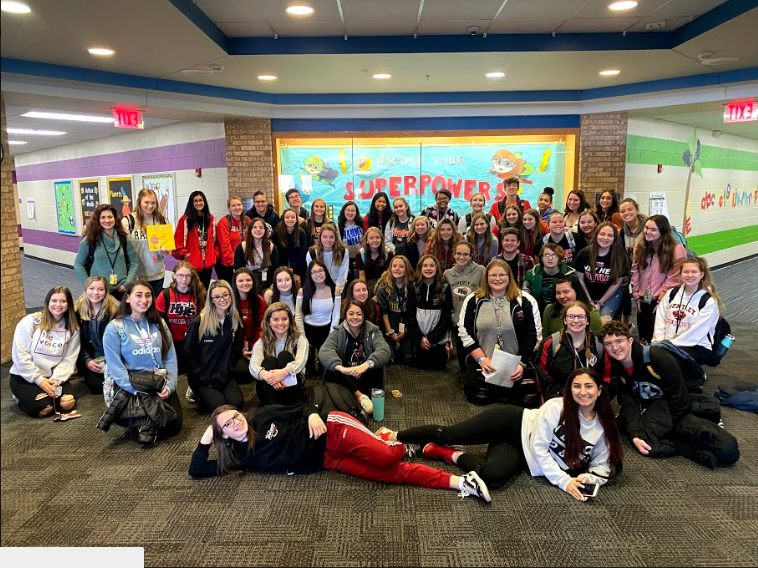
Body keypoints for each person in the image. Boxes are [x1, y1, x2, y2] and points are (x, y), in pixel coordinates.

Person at [388, 369, 622, 500]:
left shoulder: (603, 427)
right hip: (513, 423)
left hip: (525, 453)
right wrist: (564, 481)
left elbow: (602, 467)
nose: (583, 392)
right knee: (449, 434)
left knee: (491, 476)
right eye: (577, 386)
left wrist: (587, 479)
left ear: (599, 390)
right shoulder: (556, 407)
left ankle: (448, 455)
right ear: (569, 390)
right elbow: (540, 448)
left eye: (589, 386)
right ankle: (395, 435)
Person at [188, 405, 491, 503]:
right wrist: (206, 437)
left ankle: (396, 439)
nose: (235, 422)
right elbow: (197, 470)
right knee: (391, 474)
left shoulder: (263, 417)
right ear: (222, 434)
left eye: (235, 415)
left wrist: (311, 415)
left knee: (387, 456)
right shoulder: (239, 459)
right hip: (328, 461)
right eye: (227, 424)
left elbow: (302, 406)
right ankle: (461, 482)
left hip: (332, 429)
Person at [100, 280, 182, 445]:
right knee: (142, 417)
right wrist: (136, 390)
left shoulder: (159, 323)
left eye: (148, 295)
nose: (144, 300)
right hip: (131, 385)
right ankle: (144, 421)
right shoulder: (115, 328)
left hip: (157, 381)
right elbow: (115, 367)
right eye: (138, 295)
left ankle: (145, 421)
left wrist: (169, 386)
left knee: (173, 425)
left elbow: (170, 358)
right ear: (128, 298)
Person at [599, 321, 690, 455]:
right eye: (608, 344)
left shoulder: (658, 357)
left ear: (630, 341)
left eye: (619, 341)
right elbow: (628, 400)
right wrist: (635, 433)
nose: (615, 347)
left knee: (647, 438)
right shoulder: (616, 367)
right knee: (623, 425)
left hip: (673, 401)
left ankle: (686, 447)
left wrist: (669, 426)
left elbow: (680, 400)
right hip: (648, 403)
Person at [458, 261, 537, 405]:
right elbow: (464, 331)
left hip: (516, 362)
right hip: (483, 361)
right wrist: (481, 360)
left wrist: (521, 363)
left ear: (509, 277)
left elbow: (533, 335)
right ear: (486, 277)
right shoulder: (473, 299)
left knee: (527, 399)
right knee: (478, 397)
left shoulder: (525, 300)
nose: (497, 279)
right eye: (493, 275)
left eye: (502, 275)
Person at [10, 286, 80, 418]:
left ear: (69, 304)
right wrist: (39, 380)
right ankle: (22, 399)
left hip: (53, 378)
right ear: (47, 302)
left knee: (67, 403)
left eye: (63, 301)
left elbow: (68, 360)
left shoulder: (72, 328)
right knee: (44, 408)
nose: (58, 305)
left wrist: (55, 380)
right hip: (25, 377)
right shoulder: (30, 322)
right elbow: (20, 356)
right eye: (54, 301)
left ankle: (44, 398)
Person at [320, 300, 391, 413]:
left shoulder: (373, 331)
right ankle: (359, 397)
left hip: (364, 375)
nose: (355, 317)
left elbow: (384, 351)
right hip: (346, 378)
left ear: (364, 316)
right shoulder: (338, 332)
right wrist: (343, 369)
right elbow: (325, 351)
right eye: (351, 313)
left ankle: (355, 399)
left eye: (359, 314)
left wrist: (366, 365)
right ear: (345, 315)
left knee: (376, 365)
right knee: (332, 368)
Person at [184, 280, 245, 412]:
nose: (222, 299)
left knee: (237, 403)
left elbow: (236, 350)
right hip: (202, 378)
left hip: (224, 376)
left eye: (225, 295)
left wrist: (229, 370)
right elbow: (187, 353)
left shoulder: (235, 320)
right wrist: (198, 374)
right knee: (220, 407)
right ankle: (197, 393)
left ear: (231, 295)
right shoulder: (200, 322)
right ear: (211, 300)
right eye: (217, 297)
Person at [652, 257, 723, 365]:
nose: (689, 275)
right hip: (667, 344)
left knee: (668, 360)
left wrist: (670, 345)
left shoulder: (708, 300)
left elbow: (697, 332)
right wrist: (658, 342)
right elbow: (660, 320)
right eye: (686, 272)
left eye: (694, 272)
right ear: (680, 274)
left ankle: (697, 374)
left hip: (696, 345)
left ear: (702, 274)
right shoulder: (672, 294)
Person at [535, 301, 610, 400]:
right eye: (570, 316)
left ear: (587, 320)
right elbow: (542, 377)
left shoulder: (598, 345)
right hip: (559, 399)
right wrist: (563, 394)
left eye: (581, 316)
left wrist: (596, 397)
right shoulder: (550, 344)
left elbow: (607, 377)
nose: (576, 320)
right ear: (564, 320)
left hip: (591, 400)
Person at [631, 215, 687, 342]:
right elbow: (635, 271)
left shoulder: (676, 250)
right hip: (644, 297)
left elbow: (673, 278)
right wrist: (636, 296)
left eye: (653, 229)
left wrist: (661, 301)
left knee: (658, 336)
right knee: (644, 335)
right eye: (646, 228)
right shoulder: (640, 247)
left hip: (663, 299)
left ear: (663, 232)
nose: (648, 232)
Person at [73, 203, 137, 301]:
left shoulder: (124, 239)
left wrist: (127, 282)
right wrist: (89, 286)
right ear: (97, 220)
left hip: (121, 290)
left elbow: (134, 262)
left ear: (115, 219)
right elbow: (78, 265)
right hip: (98, 292)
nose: (107, 220)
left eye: (110, 217)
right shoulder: (90, 240)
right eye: (103, 217)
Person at [155, 261, 206, 378]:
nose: (184, 279)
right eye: (180, 275)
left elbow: (203, 318)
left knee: (192, 370)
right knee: (176, 370)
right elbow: (159, 320)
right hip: (172, 339)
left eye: (187, 276)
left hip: (192, 339)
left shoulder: (199, 293)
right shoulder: (165, 294)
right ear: (174, 276)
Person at [250, 303, 308, 405]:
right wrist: (269, 376)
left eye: (284, 319)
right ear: (269, 322)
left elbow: (301, 362)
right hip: (268, 389)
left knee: (284, 356)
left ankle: (283, 406)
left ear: (290, 321)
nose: (280, 323)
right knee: (269, 361)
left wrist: (283, 373)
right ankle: (275, 406)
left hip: (292, 389)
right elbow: (253, 366)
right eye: (276, 319)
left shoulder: (300, 339)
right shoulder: (262, 341)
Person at [572, 222, 629, 324]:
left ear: (615, 238)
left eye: (610, 235)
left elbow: (616, 284)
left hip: (610, 295)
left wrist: (600, 303)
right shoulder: (584, 253)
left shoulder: (620, 256)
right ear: (596, 235)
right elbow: (579, 279)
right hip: (586, 293)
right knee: (585, 321)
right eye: (602, 234)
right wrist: (590, 301)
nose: (605, 238)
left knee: (603, 322)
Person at [407, 255, 454, 371]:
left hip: (437, 338)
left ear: (437, 268)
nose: (428, 268)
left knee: (438, 367)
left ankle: (445, 350)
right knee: (421, 367)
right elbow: (410, 315)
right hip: (420, 339)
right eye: (425, 266)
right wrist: (420, 338)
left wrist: (432, 338)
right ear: (420, 268)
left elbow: (445, 317)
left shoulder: (444, 287)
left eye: (432, 265)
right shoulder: (414, 287)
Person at [444, 241, 485, 372]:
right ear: (454, 254)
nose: (462, 257)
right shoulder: (447, 274)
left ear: (471, 256)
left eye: (466, 254)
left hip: (475, 322)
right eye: (459, 254)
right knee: (463, 364)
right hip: (458, 323)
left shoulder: (480, 271)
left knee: (477, 359)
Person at [74, 276, 120, 393]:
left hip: (113, 356)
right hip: (91, 356)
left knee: (118, 382)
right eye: (92, 288)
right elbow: (75, 342)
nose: (96, 293)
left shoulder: (116, 309)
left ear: (106, 291)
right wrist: (87, 360)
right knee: (96, 386)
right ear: (85, 289)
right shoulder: (76, 310)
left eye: (100, 289)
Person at [296, 260, 342, 374]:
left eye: (320, 270)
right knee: (309, 369)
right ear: (310, 275)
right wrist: (303, 337)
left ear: (325, 272)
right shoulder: (303, 291)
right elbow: (298, 316)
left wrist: (331, 336)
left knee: (325, 368)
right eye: (314, 272)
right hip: (308, 329)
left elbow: (336, 315)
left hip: (327, 328)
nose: (318, 274)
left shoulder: (335, 290)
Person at [122, 188, 170, 297]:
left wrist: (166, 251)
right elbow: (124, 249)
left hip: (157, 274)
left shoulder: (161, 220)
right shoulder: (129, 221)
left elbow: (167, 251)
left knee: (155, 305)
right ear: (139, 202)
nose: (150, 206)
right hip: (136, 275)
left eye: (153, 203)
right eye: (146, 202)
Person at [172, 191, 217, 290]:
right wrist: (185, 254)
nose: (198, 203)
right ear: (191, 203)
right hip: (192, 263)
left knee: (204, 290)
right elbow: (177, 241)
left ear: (204, 202)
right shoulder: (185, 220)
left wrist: (213, 255)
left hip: (207, 263)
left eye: (200, 200)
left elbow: (215, 241)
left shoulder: (210, 219)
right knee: (192, 291)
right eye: (195, 201)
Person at [376, 255, 415, 365]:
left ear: (406, 269)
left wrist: (405, 330)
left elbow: (413, 314)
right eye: (394, 266)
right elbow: (384, 314)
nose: (397, 269)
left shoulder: (412, 287)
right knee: (389, 358)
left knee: (407, 359)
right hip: (389, 329)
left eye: (401, 266)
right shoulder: (383, 288)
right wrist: (390, 332)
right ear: (390, 268)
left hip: (406, 329)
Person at [231, 267, 266, 382]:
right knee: (240, 372)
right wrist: (240, 350)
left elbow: (261, 328)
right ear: (235, 283)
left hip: (254, 345)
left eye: (248, 280)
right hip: (235, 347)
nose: (245, 283)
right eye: (240, 281)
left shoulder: (259, 300)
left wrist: (254, 348)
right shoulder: (229, 301)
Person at [618, 197, 647, 327]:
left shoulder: (647, 228)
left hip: (647, 271)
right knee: (624, 290)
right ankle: (626, 322)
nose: (626, 213)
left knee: (645, 301)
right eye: (623, 211)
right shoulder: (623, 232)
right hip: (632, 269)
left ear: (637, 210)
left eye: (630, 209)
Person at [523, 244, 576, 314]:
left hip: (564, 313)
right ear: (541, 258)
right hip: (536, 312)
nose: (550, 258)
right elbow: (525, 297)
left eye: (554, 255)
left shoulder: (570, 275)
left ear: (560, 258)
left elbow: (578, 299)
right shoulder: (531, 275)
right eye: (546, 255)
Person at [234, 217, 279, 290]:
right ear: (250, 230)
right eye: (255, 227)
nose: (258, 230)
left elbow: (274, 271)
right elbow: (238, 271)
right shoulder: (242, 247)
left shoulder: (271, 247)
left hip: (266, 282)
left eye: (261, 227)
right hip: (247, 283)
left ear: (265, 230)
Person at [216, 195, 250, 285]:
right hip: (229, 265)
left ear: (242, 206)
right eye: (233, 206)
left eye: (239, 205)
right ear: (229, 208)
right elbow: (225, 247)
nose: (237, 208)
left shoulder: (247, 220)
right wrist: (235, 264)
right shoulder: (224, 222)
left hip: (245, 263)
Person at [305, 223, 349, 291]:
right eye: (325, 237)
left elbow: (342, 275)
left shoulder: (343, 252)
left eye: (331, 237)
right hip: (318, 288)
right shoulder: (312, 254)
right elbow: (312, 275)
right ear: (320, 237)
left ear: (335, 238)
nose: (328, 240)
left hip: (337, 288)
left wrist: (337, 291)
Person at [274, 208, 308, 285]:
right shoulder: (277, 232)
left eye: (293, 217)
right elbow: (277, 255)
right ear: (283, 219)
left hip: (298, 269)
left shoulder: (301, 233)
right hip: (281, 268)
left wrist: (297, 273)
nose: (290, 219)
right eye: (287, 217)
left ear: (296, 219)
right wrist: (282, 271)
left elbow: (302, 256)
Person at [355, 226, 393, 294]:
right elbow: (362, 275)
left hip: (382, 283)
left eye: (377, 237)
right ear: (367, 240)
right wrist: (364, 291)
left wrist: (378, 292)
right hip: (367, 282)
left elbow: (386, 275)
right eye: (371, 238)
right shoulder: (360, 254)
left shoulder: (388, 253)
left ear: (381, 239)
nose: (375, 240)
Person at [338, 201, 364, 282]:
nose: (350, 213)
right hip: (347, 259)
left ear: (356, 212)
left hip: (361, 257)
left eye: (353, 210)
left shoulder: (361, 223)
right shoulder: (340, 226)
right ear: (344, 211)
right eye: (348, 210)